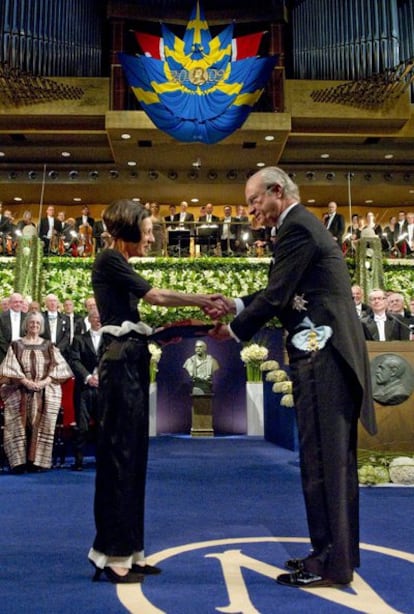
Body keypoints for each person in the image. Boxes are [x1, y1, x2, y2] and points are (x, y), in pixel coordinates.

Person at [209, 166, 376, 588]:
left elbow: (278, 294)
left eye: (254, 201)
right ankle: (330, 554)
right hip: (322, 357)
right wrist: (234, 302)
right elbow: (284, 288)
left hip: (325, 357)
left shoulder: (297, 228)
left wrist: (232, 330)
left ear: (276, 192)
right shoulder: (300, 226)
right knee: (324, 461)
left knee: (326, 463)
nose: (252, 211)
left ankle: (333, 563)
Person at [88, 198, 223, 584]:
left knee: (135, 457)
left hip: (129, 359)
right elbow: (156, 297)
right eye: (146, 231)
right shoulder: (109, 258)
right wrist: (202, 299)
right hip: (118, 363)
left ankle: (131, 551)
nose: (151, 238)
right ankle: (112, 554)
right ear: (127, 230)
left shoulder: (121, 263)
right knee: (119, 457)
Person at [0, 311, 72, 473]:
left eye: (37, 324)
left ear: (41, 327)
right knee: (18, 422)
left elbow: (60, 367)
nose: (34, 326)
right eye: (31, 323)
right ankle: (19, 462)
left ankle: (37, 462)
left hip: (44, 391)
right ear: (26, 325)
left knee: (42, 422)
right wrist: (25, 381)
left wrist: (44, 382)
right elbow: (8, 367)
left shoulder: (49, 346)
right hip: (19, 391)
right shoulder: (16, 345)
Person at [69, 309, 102, 470]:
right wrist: (88, 377)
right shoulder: (79, 339)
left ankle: (101, 459)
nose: (98, 320)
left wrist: (102, 377)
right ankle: (79, 461)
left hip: (104, 389)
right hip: (84, 389)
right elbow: (74, 361)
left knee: (102, 425)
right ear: (90, 320)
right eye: (95, 317)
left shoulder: (110, 340)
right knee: (82, 427)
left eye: (101, 318)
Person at [0, 292, 26, 363]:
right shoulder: (1, 317)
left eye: (20, 302)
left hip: (24, 353)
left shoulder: (28, 317)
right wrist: (8, 349)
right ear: (10, 303)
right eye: (15, 302)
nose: (18, 304)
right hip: (3, 353)